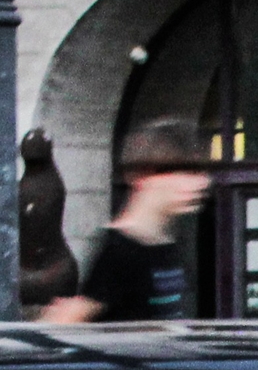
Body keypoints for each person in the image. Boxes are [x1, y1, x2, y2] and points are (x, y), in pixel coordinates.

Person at [69, 119, 209, 324]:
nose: (201, 182)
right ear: (144, 176)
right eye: (183, 171)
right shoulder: (119, 250)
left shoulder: (166, 243)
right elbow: (66, 323)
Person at [15, 129, 80, 318]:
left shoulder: (49, 187)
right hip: (38, 270)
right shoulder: (35, 186)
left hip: (49, 271)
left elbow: (38, 228)